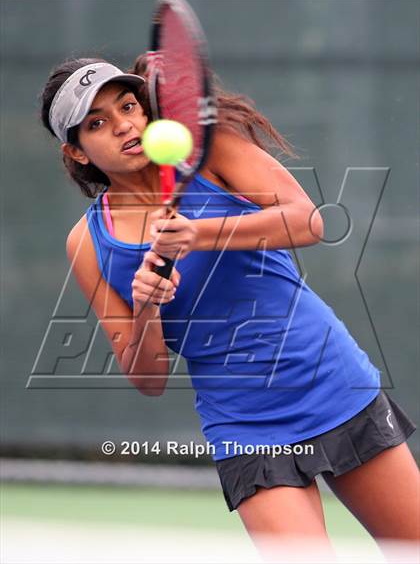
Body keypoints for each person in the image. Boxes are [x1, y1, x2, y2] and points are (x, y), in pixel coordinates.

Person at [40, 56, 419, 562]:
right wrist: (148, 308)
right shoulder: (87, 242)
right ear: (77, 152)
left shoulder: (210, 152)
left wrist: (200, 234)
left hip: (333, 385)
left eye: (128, 106)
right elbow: (148, 378)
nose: (124, 125)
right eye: (97, 123)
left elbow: (307, 221)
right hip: (245, 429)